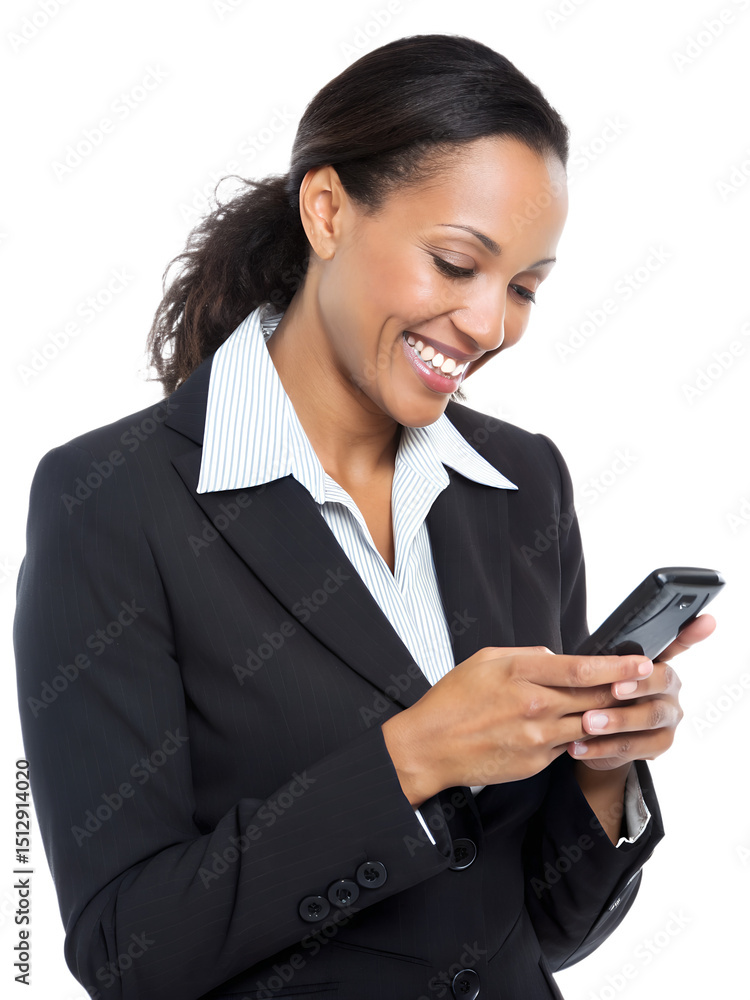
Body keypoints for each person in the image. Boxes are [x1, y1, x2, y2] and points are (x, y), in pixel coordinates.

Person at [14, 32, 714, 1000]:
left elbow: (543, 932)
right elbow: (126, 950)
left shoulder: (523, 481)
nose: (490, 326)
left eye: (524, 288)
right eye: (455, 262)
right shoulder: (110, 500)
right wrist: (414, 757)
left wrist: (604, 761)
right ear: (328, 210)